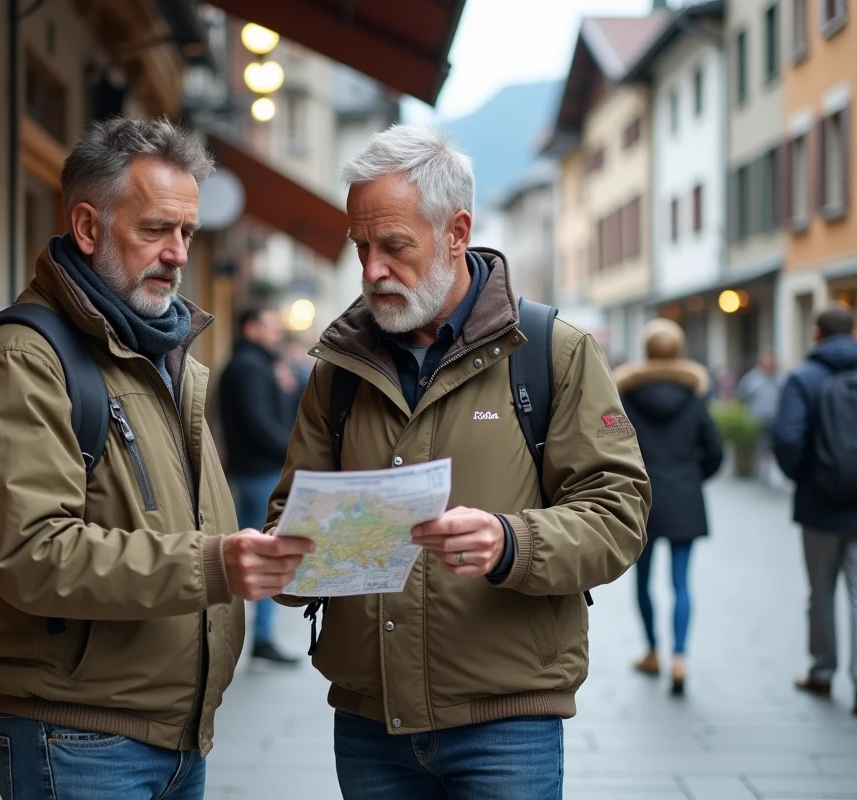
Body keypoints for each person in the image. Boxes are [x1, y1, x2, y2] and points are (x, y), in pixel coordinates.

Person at [268, 125, 651, 800]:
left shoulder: (553, 352)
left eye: (393, 246)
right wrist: (284, 558)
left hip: (506, 723)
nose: (371, 270)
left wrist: (512, 541)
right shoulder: (338, 370)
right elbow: (288, 521)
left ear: (456, 232)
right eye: (361, 247)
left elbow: (618, 516)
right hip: (368, 721)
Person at [0, 118, 314, 800]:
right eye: (156, 229)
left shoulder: (160, 350)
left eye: (188, 232)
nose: (178, 253)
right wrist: (216, 564)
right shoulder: (24, 359)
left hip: (174, 736)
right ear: (88, 228)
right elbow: (32, 554)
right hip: (77, 739)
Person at [614, 319, 724, 695]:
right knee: (681, 583)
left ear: (646, 349)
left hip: (641, 500)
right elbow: (714, 451)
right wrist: (692, 478)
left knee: (643, 581)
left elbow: (614, 447)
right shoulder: (694, 396)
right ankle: (679, 657)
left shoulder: (625, 397)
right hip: (684, 498)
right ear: (679, 349)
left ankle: (651, 652)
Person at [772, 304, 857, 715]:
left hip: (819, 507)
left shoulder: (803, 377)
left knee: (820, 593)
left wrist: (808, 477)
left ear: (816, 334)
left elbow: (788, 439)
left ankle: (822, 673)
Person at [218, 306, 301, 664]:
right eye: (270, 325)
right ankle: (261, 638)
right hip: (259, 473)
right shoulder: (250, 367)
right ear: (250, 329)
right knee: (265, 553)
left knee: (249, 552)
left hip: (253, 471)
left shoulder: (255, 364)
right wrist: (296, 453)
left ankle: (253, 637)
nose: (277, 332)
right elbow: (259, 423)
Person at [737, 351, 783, 483]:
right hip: (756, 419)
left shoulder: (780, 378)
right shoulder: (752, 378)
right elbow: (742, 395)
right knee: (759, 446)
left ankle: (772, 472)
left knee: (773, 445)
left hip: (775, 418)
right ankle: (760, 472)